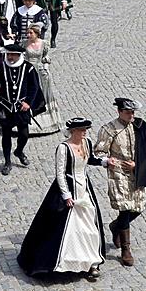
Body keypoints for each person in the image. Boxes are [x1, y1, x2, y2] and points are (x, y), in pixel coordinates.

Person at [16, 117, 106, 279]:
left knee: (90, 227)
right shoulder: (64, 148)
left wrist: (105, 162)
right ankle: (67, 262)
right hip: (69, 190)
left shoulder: (87, 143)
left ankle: (91, 262)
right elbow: (60, 173)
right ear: (73, 131)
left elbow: (90, 159)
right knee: (66, 230)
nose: (85, 132)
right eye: (82, 129)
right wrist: (66, 195)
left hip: (84, 189)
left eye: (86, 129)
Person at [94, 98, 146, 267]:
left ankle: (115, 227)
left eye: (133, 112)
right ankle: (126, 250)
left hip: (137, 173)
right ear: (119, 112)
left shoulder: (140, 126)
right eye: (128, 112)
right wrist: (108, 160)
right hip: (119, 174)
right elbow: (99, 151)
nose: (131, 116)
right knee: (124, 209)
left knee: (138, 208)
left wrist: (137, 164)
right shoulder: (109, 130)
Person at [0, 44, 46, 176]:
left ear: (19, 55)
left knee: (24, 134)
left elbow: (34, 87)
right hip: (5, 106)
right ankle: (7, 162)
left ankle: (19, 151)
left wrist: (28, 103)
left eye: (13, 55)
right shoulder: (0, 67)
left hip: (22, 107)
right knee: (6, 135)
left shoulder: (29, 68)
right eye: (8, 54)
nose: (10, 57)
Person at [24, 24, 62, 135]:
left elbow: (45, 57)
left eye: (31, 33)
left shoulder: (44, 44)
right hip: (28, 71)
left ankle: (46, 121)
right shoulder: (24, 43)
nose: (28, 35)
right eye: (28, 32)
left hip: (40, 72)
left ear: (37, 33)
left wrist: (45, 67)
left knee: (43, 94)